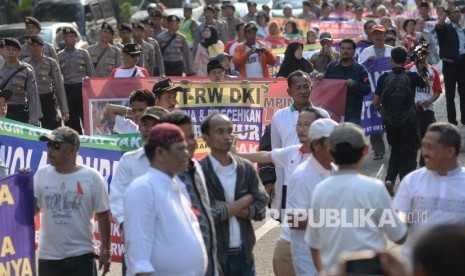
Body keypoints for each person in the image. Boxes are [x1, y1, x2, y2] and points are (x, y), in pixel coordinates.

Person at [306, 122, 407, 274]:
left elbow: (313, 243)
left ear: (331, 153)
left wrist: (322, 271)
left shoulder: (320, 190)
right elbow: (399, 236)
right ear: (365, 151)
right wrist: (402, 216)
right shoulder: (374, 188)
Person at [124, 123, 207, 276]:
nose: (186, 153)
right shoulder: (143, 189)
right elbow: (138, 257)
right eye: (180, 149)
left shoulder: (177, 185)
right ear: (161, 153)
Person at [270, 71, 329, 276]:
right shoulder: (279, 117)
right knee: (291, 230)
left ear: (311, 88)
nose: (303, 91)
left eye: (306, 86)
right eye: (298, 87)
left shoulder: (323, 115)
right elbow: (272, 152)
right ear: (289, 91)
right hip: (289, 183)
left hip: (317, 182)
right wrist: (271, 182)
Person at [34, 126, 111, 276]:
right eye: (48, 145)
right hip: (48, 258)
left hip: (81, 256)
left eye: (56, 146)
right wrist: (21, 186)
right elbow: (33, 209)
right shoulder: (41, 174)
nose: (50, 150)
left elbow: (103, 215)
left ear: (72, 150)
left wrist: (106, 251)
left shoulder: (92, 177)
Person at [199, 112, 268, 276]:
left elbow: (261, 210)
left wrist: (224, 206)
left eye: (229, 131)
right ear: (206, 138)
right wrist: (244, 201)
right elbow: (206, 215)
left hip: (245, 256)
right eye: (219, 131)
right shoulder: (200, 171)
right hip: (215, 258)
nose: (227, 136)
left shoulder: (246, 168)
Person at [394, 122, 465, 264]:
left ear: (450, 152)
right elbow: (399, 215)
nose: (424, 153)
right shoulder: (411, 181)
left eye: (430, 147)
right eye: (423, 145)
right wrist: (401, 219)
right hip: (416, 266)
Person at [109, 105, 168, 275]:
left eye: (153, 125)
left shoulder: (177, 161)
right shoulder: (129, 160)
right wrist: (124, 223)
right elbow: (117, 196)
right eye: (144, 125)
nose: (148, 129)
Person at [163, 111, 220, 276]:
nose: (190, 143)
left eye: (192, 136)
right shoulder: (162, 179)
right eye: (182, 138)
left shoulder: (196, 168)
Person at [286, 118, 338, 276]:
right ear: (316, 145)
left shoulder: (335, 169)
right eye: (333, 142)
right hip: (309, 261)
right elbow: (294, 220)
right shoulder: (302, 176)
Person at [373, 46, 427, 196]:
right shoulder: (412, 76)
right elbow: (426, 82)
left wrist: (383, 113)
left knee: (395, 151)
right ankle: (406, 185)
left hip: (391, 122)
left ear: (391, 60)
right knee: (409, 154)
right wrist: (419, 64)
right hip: (409, 121)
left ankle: (390, 180)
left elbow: (375, 102)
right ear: (406, 60)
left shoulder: (384, 78)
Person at [405, 42, 442, 167]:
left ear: (428, 53)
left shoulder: (433, 71)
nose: (421, 55)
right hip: (411, 110)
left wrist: (430, 101)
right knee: (412, 141)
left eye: (423, 51)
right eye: (418, 52)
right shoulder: (408, 69)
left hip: (428, 110)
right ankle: (410, 167)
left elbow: (437, 91)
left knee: (428, 140)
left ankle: (424, 166)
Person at [358, 24, 391, 161]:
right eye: (375, 34)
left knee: (391, 121)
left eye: (380, 33)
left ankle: (395, 147)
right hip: (372, 93)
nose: (378, 36)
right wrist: (367, 62)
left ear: (385, 35)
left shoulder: (392, 51)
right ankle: (378, 151)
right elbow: (359, 70)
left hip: (390, 92)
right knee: (374, 121)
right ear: (371, 36)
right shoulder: (365, 52)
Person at [321, 38, 371, 125]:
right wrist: (319, 79)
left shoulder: (360, 69)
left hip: (353, 113)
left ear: (354, 51)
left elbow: (367, 89)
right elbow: (324, 86)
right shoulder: (331, 67)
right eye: (343, 48)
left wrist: (355, 84)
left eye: (348, 49)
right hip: (334, 112)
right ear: (339, 50)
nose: (345, 51)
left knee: (352, 137)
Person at [23, 35, 69, 130]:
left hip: (47, 100)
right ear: (28, 48)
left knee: (50, 130)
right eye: (31, 45)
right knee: (32, 130)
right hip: (31, 101)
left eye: (37, 45)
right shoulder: (24, 64)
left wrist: (64, 110)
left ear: (42, 47)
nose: (34, 48)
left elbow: (59, 87)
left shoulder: (51, 63)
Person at [58, 27, 95, 134]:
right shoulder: (59, 56)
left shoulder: (83, 53)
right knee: (72, 124)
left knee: (86, 121)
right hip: (68, 91)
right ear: (64, 38)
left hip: (82, 90)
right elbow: (57, 78)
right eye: (70, 37)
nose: (73, 39)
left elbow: (91, 75)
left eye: (74, 36)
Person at [435, 5, 465, 125]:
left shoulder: (462, 28)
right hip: (450, 63)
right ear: (449, 15)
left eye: (458, 12)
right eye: (454, 12)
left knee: (463, 92)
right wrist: (446, 12)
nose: (457, 14)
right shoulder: (446, 27)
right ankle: (452, 120)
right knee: (450, 94)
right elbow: (439, 26)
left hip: (462, 62)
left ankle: (464, 118)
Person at [0, 37, 40, 126]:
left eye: (14, 49)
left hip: (19, 113)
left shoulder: (26, 70)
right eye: (7, 49)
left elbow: (33, 97)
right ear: (3, 51)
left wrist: (33, 122)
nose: (10, 52)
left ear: (19, 51)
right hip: (1, 111)